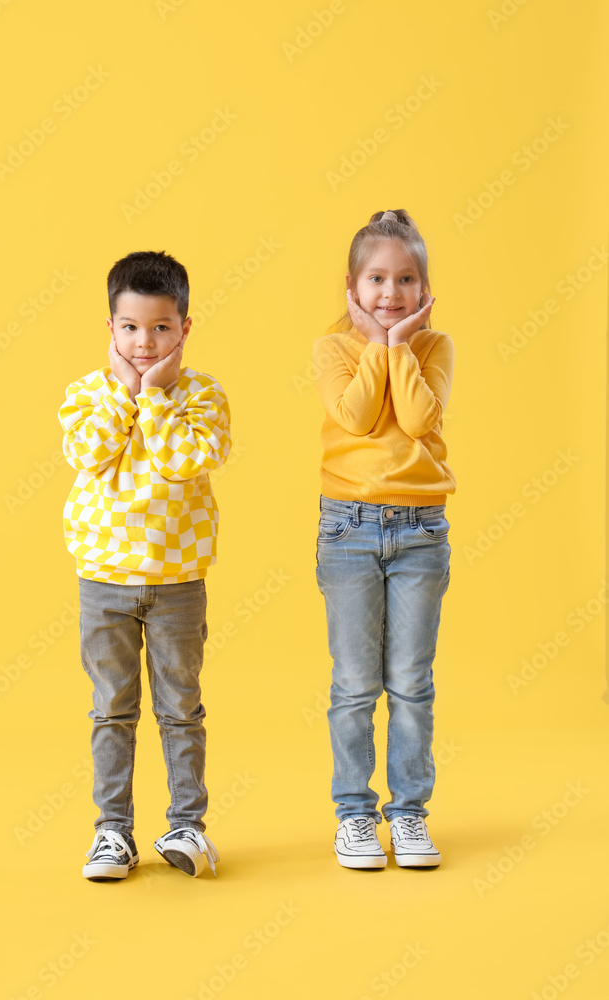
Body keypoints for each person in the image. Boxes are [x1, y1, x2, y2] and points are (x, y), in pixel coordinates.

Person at [58, 250, 231, 881]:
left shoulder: (202, 396)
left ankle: (187, 825)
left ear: (185, 327)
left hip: (177, 581)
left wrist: (154, 397)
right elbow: (91, 453)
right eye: (130, 327)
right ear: (110, 328)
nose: (144, 341)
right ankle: (113, 832)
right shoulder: (85, 395)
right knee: (112, 708)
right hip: (104, 580)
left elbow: (184, 460)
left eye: (160, 327)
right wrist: (127, 395)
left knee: (181, 706)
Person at [312, 209, 456, 871]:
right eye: (376, 279)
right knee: (353, 684)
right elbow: (358, 417)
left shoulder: (434, 347)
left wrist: (398, 344)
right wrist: (374, 341)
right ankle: (354, 817)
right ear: (352, 284)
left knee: (410, 684)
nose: (389, 293)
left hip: (421, 531)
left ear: (424, 288)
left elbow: (421, 414)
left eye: (404, 279)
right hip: (347, 529)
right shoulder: (333, 348)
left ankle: (409, 815)